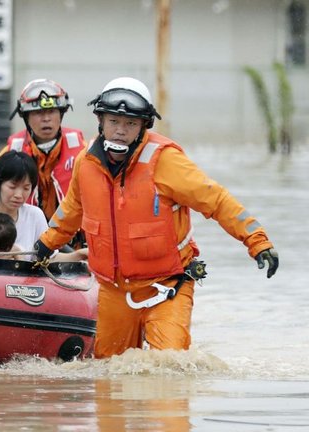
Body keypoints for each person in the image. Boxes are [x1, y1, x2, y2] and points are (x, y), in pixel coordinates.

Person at [34, 76, 279, 359]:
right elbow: (70, 210)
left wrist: (257, 241)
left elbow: (217, 200)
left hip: (167, 287)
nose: (120, 131)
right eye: (114, 121)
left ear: (144, 126)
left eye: (130, 124)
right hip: (114, 291)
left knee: (170, 369)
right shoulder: (85, 163)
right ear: (100, 121)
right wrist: (45, 244)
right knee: (109, 379)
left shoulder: (166, 161)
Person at [0, 151, 87, 262]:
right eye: (12, 187)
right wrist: (13, 251)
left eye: (26, 188)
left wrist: (78, 255)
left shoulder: (35, 215)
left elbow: (48, 259)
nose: (19, 195)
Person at [0, 79, 87, 221]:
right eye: (38, 112)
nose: (46, 118)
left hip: (74, 239)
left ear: (61, 114)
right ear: (26, 117)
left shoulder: (82, 150)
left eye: (52, 111)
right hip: (23, 237)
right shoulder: (10, 153)